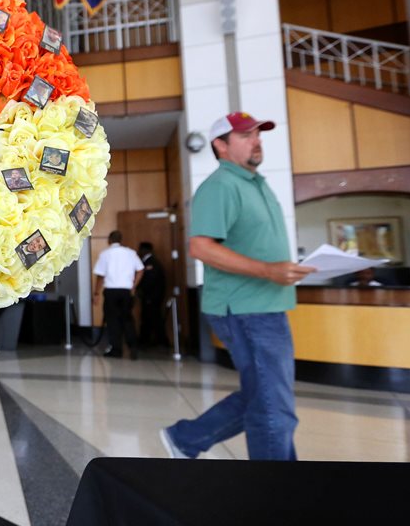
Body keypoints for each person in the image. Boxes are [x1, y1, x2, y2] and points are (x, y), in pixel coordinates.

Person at [161, 112, 315, 462]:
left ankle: (186, 438)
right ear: (221, 145)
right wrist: (268, 270)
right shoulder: (221, 186)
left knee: (264, 397)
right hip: (245, 309)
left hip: (267, 305)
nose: (256, 141)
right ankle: (273, 489)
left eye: (258, 134)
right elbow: (201, 247)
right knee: (273, 408)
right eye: (246, 136)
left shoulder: (255, 184)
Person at [93, 231, 144, 359]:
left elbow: (100, 276)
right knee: (127, 319)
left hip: (111, 291)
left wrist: (96, 293)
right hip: (126, 291)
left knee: (112, 320)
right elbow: (140, 269)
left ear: (109, 240)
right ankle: (133, 347)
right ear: (121, 240)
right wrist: (134, 285)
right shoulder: (131, 253)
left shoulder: (105, 254)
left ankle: (116, 349)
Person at [136, 242, 167, 348]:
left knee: (154, 318)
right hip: (149, 296)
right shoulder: (147, 262)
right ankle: (146, 340)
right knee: (148, 318)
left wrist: (142, 291)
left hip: (152, 296)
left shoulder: (151, 262)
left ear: (145, 250)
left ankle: (161, 341)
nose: (139, 251)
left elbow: (151, 281)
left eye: (140, 249)